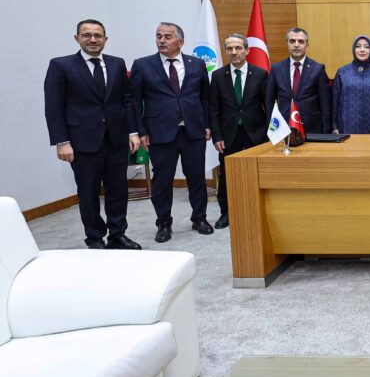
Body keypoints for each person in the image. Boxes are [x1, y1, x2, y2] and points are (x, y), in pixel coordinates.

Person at [43, 19, 141, 249]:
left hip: (116, 139)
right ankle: (95, 238)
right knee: (88, 192)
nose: (93, 39)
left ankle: (117, 234)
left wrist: (133, 131)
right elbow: (53, 106)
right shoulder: (61, 65)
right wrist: (62, 141)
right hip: (82, 142)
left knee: (118, 190)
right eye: (87, 35)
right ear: (76, 38)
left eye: (98, 35)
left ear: (105, 39)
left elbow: (126, 101)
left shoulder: (117, 63)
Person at [129, 22, 214, 243]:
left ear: (180, 41)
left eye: (168, 36)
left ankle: (200, 218)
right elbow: (134, 102)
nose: (162, 40)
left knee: (196, 178)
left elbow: (205, 98)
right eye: (159, 36)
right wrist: (140, 131)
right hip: (159, 133)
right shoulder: (142, 65)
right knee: (162, 181)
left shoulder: (197, 64)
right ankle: (164, 223)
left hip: (193, 131)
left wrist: (207, 124)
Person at [208, 33, 268, 229]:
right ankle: (226, 213)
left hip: (255, 134)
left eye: (238, 48)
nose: (234, 52)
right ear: (225, 51)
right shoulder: (218, 76)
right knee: (227, 176)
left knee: (255, 175)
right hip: (228, 135)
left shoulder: (260, 74)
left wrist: (267, 135)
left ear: (247, 50)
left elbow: (267, 106)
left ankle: (255, 212)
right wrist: (216, 136)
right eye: (230, 48)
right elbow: (214, 109)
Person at [266, 27, 331, 134]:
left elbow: (325, 104)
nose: (296, 45)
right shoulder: (276, 68)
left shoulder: (318, 69)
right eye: (292, 41)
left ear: (307, 45)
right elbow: (269, 102)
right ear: (287, 44)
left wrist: (326, 132)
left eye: (301, 41)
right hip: (283, 128)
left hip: (311, 128)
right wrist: (271, 127)